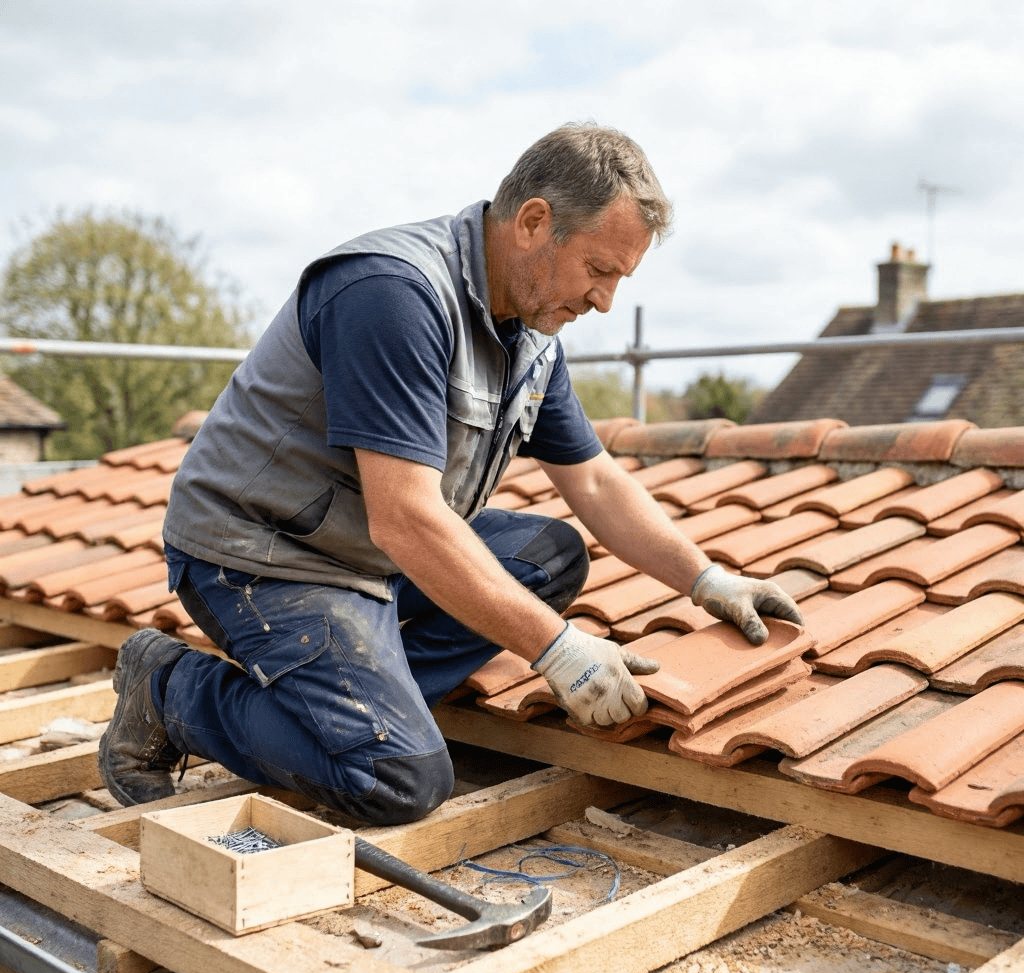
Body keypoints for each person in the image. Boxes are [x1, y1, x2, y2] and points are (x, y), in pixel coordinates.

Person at [98, 123, 802, 822]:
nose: (605, 301)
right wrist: (558, 652)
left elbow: (592, 481)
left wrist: (707, 579)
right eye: (600, 270)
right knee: (395, 775)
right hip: (267, 558)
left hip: (367, 551)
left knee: (548, 556)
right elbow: (405, 517)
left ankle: (360, 685)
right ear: (533, 223)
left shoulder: (529, 333)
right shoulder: (392, 294)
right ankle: (169, 687)